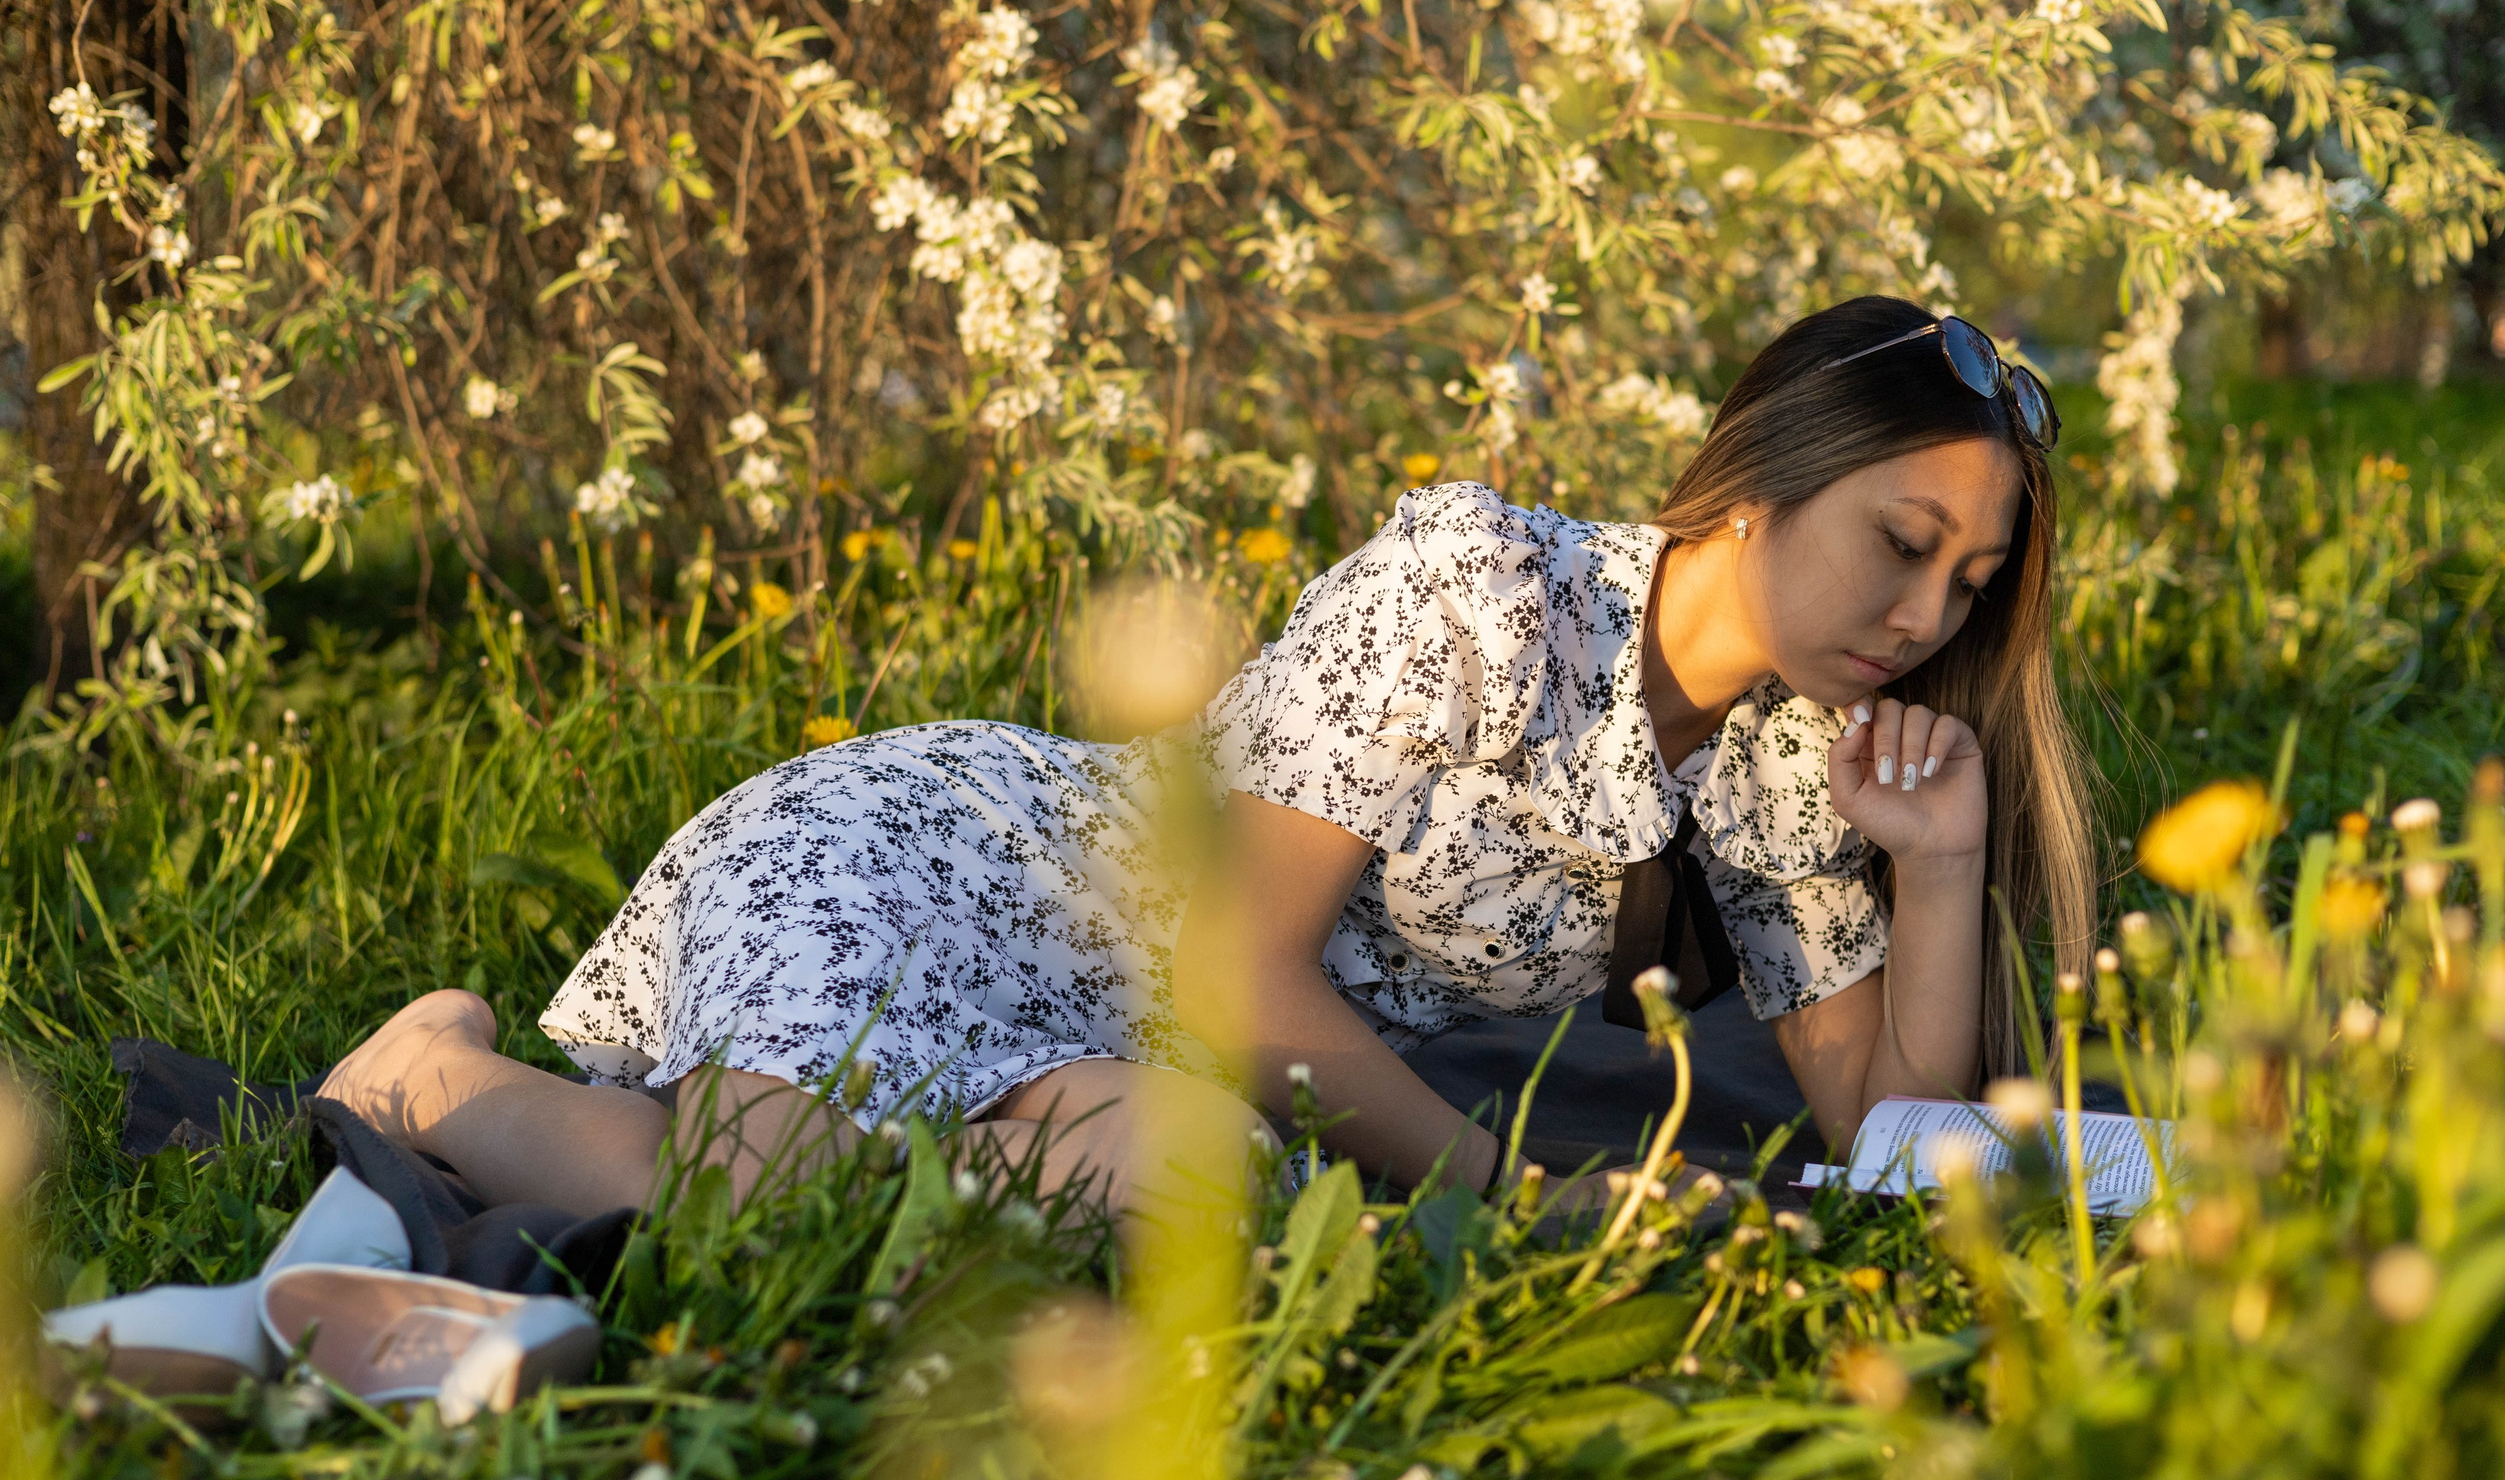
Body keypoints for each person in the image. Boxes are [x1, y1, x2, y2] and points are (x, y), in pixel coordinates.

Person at [322, 295, 2098, 1219]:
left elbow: (1889, 1137)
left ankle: (764, 1119)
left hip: (1159, 1041)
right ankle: (421, 1076)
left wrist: (1938, 864)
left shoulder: (1794, 765)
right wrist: (1515, 1198)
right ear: (1759, 477)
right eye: (1904, 537)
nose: (1932, 609)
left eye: (1975, 578)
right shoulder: (1478, 587)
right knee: (740, 1207)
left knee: (1186, 1193)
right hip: (966, 864)